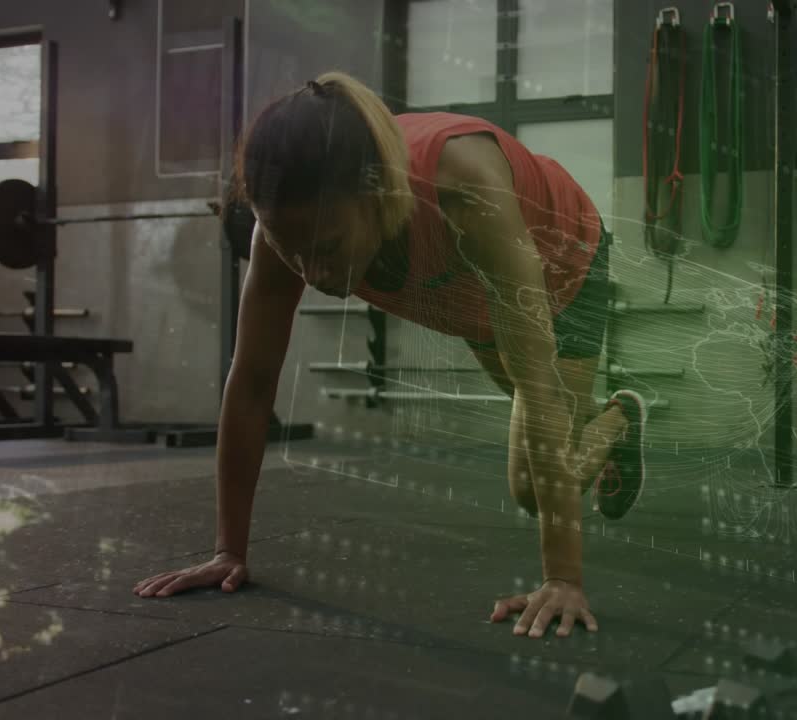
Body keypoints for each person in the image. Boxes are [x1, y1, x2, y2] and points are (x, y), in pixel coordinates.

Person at [131, 72, 648, 640]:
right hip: (473, 298)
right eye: (291, 251)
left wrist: (563, 579)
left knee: (533, 485)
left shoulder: (465, 191)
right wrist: (227, 550)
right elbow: (251, 382)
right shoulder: (286, 228)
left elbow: (539, 384)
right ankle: (609, 424)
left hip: (563, 263)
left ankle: (619, 419)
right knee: (548, 449)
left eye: (326, 250)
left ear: (379, 197)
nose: (314, 275)